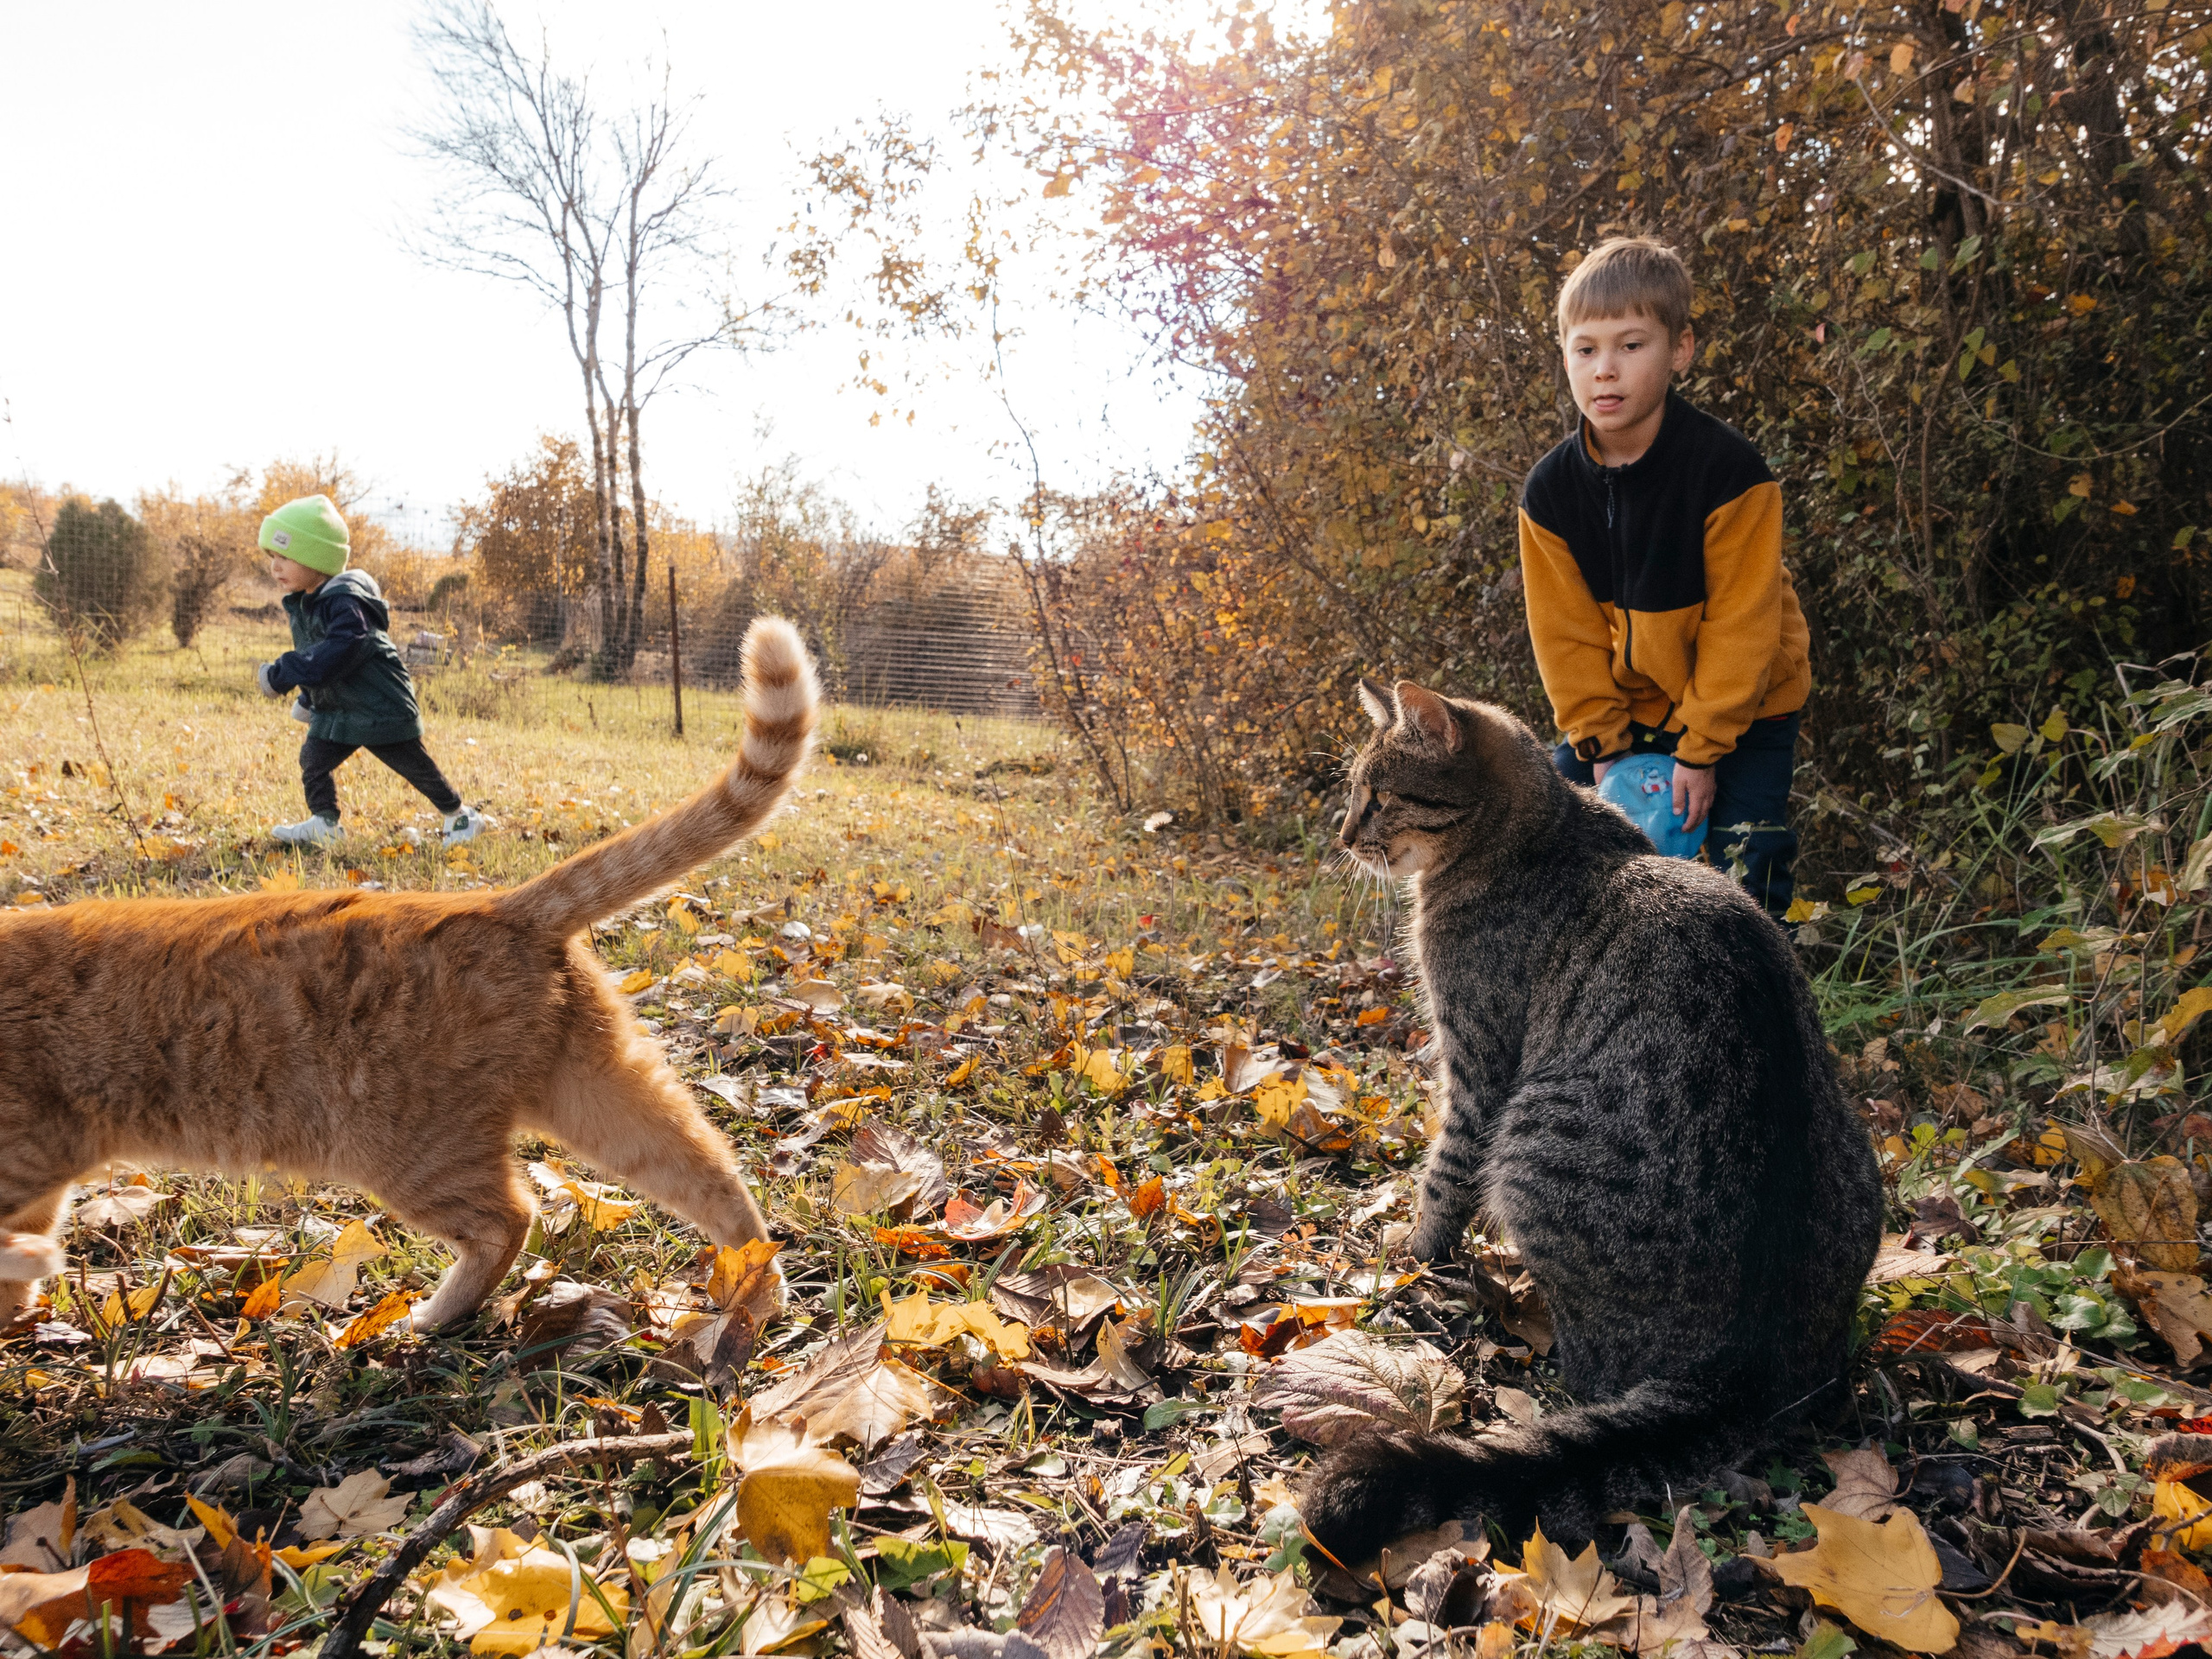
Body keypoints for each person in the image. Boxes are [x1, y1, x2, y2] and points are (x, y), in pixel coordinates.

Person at [1517, 237, 1810, 920]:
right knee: (1545, 839)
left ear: (1680, 350)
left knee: (1747, 857)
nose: (1605, 372)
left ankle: (1759, 1002)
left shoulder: (1728, 471)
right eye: (1585, 350)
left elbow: (1743, 626)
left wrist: (1702, 752)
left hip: (1747, 704)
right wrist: (1601, 745)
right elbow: (1564, 636)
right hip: (1629, 705)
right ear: (1566, 356)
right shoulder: (1551, 493)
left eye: (1631, 346)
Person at [253, 493, 486, 849]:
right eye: (272, 557)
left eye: (284, 556)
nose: (275, 567)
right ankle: (324, 823)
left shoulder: (346, 602)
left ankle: (460, 816)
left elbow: (341, 649)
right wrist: (309, 696)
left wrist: (287, 670)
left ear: (316, 557)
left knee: (413, 766)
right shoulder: (309, 604)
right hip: (341, 707)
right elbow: (317, 653)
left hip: (379, 703)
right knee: (313, 760)